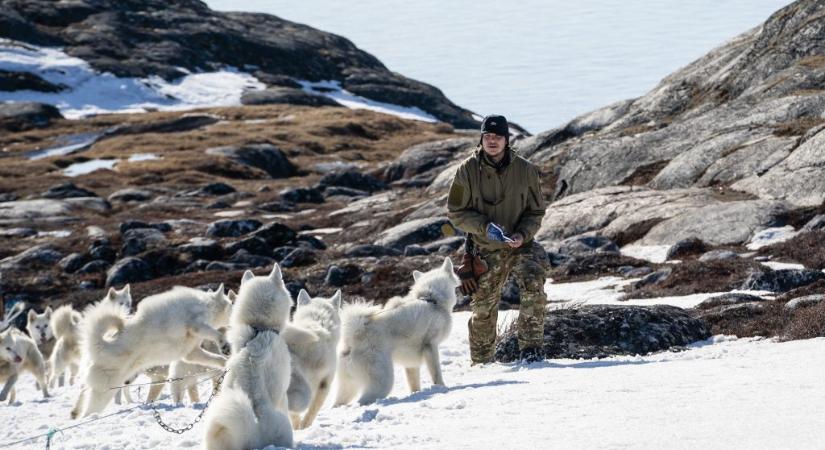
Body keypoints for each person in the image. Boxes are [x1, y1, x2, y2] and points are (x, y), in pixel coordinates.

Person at [446, 114, 548, 364]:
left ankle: (531, 351)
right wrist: (482, 226)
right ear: (481, 139)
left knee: (533, 284)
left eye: (497, 136)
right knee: (482, 307)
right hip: (485, 248)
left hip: (521, 245)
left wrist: (522, 234)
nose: (492, 141)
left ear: (506, 139)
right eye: (487, 136)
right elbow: (456, 213)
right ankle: (481, 362)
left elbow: (536, 211)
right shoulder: (466, 171)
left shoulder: (526, 170)